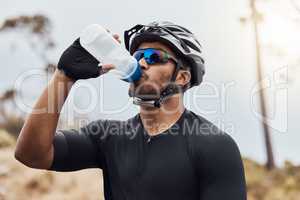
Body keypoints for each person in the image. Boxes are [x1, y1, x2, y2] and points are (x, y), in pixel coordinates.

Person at [15, 21, 247, 200]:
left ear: (183, 77)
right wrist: (64, 77)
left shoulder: (214, 145)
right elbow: (31, 154)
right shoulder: (107, 136)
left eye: (154, 57)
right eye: (137, 56)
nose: (141, 63)